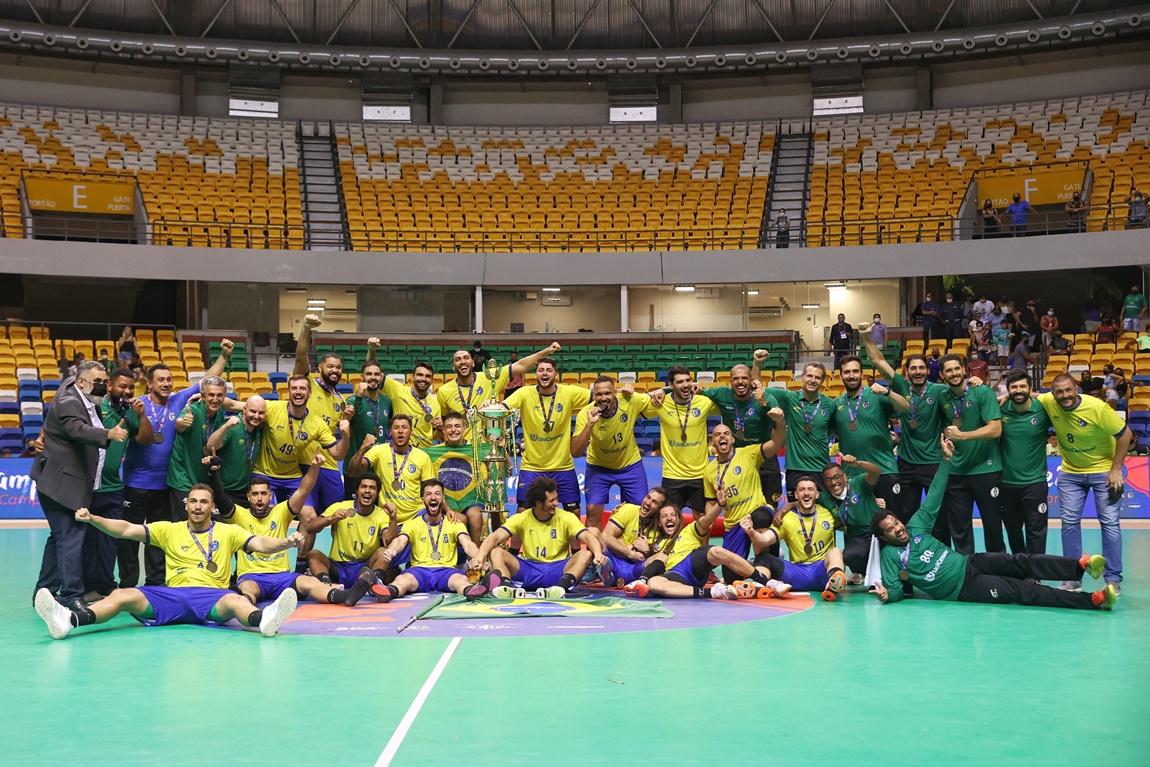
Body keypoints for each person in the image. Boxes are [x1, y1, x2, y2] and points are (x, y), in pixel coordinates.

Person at [871, 437, 1117, 611]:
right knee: (1020, 591)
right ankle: (1092, 600)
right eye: (891, 529)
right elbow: (894, 588)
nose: (898, 528)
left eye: (896, 522)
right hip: (963, 587)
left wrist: (946, 462)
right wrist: (886, 595)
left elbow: (934, 495)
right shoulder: (891, 556)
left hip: (970, 562)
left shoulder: (915, 527)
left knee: (1022, 561)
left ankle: (1081, 566)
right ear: (884, 538)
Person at [35, 484, 305, 640]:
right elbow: (126, 529)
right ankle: (69, 620)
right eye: (193, 502)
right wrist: (94, 518)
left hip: (211, 597)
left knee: (237, 601)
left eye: (204, 502)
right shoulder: (168, 529)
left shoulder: (229, 531)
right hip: (170, 595)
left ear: (213, 507)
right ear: (186, 506)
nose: (198, 506)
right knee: (121, 595)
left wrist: (286, 543)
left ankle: (265, 620)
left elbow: (259, 543)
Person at [120, 342, 233, 588]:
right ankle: (127, 585)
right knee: (130, 537)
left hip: (164, 486)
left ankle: (155, 583)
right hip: (135, 484)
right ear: (149, 383)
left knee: (159, 537)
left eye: (169, 379)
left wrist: (224, 355)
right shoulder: (137, 405)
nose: (166, 384)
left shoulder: (179, 399)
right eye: (160, 380)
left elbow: (209, 379)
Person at [31, 361, 130, 611]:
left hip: (65, 481)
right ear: (82, 382)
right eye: (97, 382)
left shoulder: (81, 392)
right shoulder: (69, 402)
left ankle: (44, 591)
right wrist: (108, 435)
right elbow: (77, 429)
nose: (102, 387)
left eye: (104, 381)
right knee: (71, 538)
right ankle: (71, 596)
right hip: (61, 484)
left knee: (60, 538)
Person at [214, 454, 373, 607]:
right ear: (248, 497)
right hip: (252, 577)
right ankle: (249, 610)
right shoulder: (239, 515)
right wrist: (213, 473)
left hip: (282, 577)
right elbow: (220, 496)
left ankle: (346, 596)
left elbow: (303, 491)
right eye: (255, 494)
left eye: (263, 493)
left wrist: (315, 468)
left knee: (309, 581)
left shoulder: (281, 512)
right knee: (247, 588)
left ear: (270, 495)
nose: (259, 498)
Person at [1037, 374, 1130, 594]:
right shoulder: (1049, 401)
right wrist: (1003, 396)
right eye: (1059, 392)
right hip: (1071, 473)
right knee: (1069, 523)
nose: (1064, 395)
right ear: (1053, 393)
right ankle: (1072, 578)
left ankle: (1113, 579)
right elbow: (1028, 395)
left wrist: (1115, 470)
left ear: (1076, 388)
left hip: (1102, 472)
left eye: (1068, 390)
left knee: (1109, 523)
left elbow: (1125, 434)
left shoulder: (1097, 407)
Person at [82, 367, 155, 601]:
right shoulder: (94, 407)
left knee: (108, 541)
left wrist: (141, 415)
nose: (127, 390)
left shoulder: (130, 412)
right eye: (122, 386)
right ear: (110, 386)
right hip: (89, 486)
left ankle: (106, 585)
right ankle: (84, 586)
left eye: (131, 387)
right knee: (86, 540)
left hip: (114, 487)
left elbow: (145, 439)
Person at [466, 477, 604, 599]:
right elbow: (495, 537)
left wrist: (597, 554)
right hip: (529, 568)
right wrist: (479, 557)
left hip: (558, 569)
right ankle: (505, 587)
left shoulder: (566, 517)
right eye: (551, 500)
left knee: (585, 554)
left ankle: (560, 589)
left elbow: (587, 536)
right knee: (495, 552)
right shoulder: (522, 518)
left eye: (556, 498)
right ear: (538, 502)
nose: (556, 503)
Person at [862, 330, 948, 521]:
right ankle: (910, 550)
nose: (918, 372)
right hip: (907, 463)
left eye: (921, 368)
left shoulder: (940, 391)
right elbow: (878, 360)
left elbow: (963, 393)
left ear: (928, 370)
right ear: (907, 372)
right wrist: (865, 336)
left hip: (933, 462)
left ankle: (941, 550)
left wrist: (975, 383)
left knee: (940, 515)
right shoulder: (901, 386)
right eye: (913, 368)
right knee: (907, 514)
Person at [632, 499, 786, 600]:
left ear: (679, 519)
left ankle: (768, 582)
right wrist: (646, 551)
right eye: (664, 516)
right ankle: (714, 592)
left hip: (692, 562)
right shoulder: (654, 541)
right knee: (654, 584)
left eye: (673, 515)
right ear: (659, 522)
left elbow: (706, 520)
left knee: (715, 551)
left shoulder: (689, 530)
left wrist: (719, 504)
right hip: (674, 574)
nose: (669, 518)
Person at [700, 416, 787, 581]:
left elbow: (778, 443)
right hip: (733, 524)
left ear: (733, 439)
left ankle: (768, 561)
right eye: (717, 435)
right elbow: (710, 502)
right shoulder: (708, 471)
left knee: (761, 516)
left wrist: (780, 422)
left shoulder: (748, 453)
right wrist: (709, 521)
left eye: (726, 433)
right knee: (731, 576)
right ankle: (754, 562)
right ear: (712, 442)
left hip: (756, 511)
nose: (722, 437)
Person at [936, 354, 1005, 555]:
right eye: (948, 370)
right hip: (956, 472)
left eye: (957, 368)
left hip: (986, 469)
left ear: (965, 369)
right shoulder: (942, 397)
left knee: (992, 527)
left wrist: (962, 436)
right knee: (960, 529)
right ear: (941, 375)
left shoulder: (982, 392)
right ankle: (966, 574)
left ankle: (998, 572)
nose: (954, 373)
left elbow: (995, 429)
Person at [502, 358, 591, 513]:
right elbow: (502, 408)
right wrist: (489, 406)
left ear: (556, 374)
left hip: (563, 467)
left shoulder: (568, 392)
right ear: (535, 374)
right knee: (522, 511)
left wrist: (626, 392)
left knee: (575, 512)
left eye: (549, 370)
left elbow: (601, 395)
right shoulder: (524, 393)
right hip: (532, 467)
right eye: (541, 370)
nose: (544, 373)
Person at [370, 479, 483, 601]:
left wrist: (479, 557)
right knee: (402, 580)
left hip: (446, 571)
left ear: (443, 499)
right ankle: (387, 592)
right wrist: (391, 550)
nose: (433, 497)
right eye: (428, 494)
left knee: (461, 580)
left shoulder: (455, 523)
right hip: (419, 571)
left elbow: (467, 544)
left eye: (437, 493)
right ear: (422, 499)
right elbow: (400, 541)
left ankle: (471, 591)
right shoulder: (412, 524)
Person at [744, 475, 847, 601]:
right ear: (796, 495)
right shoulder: (786, 518)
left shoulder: (828, 514)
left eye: (810, 489)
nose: (806, 493)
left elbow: (847, 528)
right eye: (802, 490)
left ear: (817, 494)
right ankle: (758, 585)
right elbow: (763, 540)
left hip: (821, 571)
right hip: (795, 573)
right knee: (763, 558)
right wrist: (751, 532)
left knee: (836, 551)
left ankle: (833, 583)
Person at [436, 341, 559, 443]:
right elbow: (445, 424)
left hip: (488, 446)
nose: (462, 361)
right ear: (453, 366)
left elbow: (521, 366)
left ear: (473, 363)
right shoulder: (444, 391)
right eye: (458, 359)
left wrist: (546, 351)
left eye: (466, 358)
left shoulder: (490, 376)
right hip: (462, 449)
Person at [292, 313, 355, 512]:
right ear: (319, 367)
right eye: (330, 367)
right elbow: (301, 356)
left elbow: (339, 436)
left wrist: (347, 421)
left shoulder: (340, 399)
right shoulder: (307, 384)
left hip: (330, 467)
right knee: (308, 518)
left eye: (338, 368)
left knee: (337, 516)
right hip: (305, 463)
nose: (335, 371)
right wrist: (307, 328)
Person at [830, 354, 909, 509]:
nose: (851, 376)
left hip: (884, 471)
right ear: (841, 376)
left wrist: (887, 392)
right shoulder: (836, 404)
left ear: (862, 374)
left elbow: (905, 407)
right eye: (847, 372)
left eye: (855, 371)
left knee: (890, 525)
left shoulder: (877, 395)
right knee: (856, 527)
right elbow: (832, 430)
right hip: (852, 476)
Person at [571, 377, 651, 530]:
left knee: (641, 510)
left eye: (608, 393)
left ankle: (634, 549)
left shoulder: (629, 400)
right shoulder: (585, 414)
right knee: (592, 511)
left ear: (615, 393)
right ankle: (595, 552)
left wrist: (657, 392)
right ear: (594, 396)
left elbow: (655, 397)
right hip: (598, 467)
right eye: (599, 394)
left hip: (630, 465)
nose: (603, 398)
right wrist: (589, 425)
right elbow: (575, 452)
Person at [702, 362, 784, 508]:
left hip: (765, 456)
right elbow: (691, 392)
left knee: (771, 506)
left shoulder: (766, 398)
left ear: (751, 380)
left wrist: (764, 403)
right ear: (730, 381)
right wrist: (663, 391)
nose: (740, 382)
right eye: (736, 378)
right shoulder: (722, 393)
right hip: (739, 460)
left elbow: (777, 427)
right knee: (741, 506)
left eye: (745, 378)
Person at [642, 365, 719, 513]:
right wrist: (660, 391)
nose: (685, 385)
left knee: (702, 519)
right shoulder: (661, 403)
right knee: (669, 517)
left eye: (687, 380)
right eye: (679, 382)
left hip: (700, 474)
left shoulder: (704, 402)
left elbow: (726, 398)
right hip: (672, 475)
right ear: (671, 384)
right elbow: (636, 402)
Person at [304, 473, 398, 593]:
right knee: (313, 554)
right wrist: (331, 518)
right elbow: (310, 528)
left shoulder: (381, 514)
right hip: (338, 567)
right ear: (357, 491)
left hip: (364, 568)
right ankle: (327, 585)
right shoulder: (340, 507)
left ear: (377, 493)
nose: (368, 491)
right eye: (364, 487)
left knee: (383, 552)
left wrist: (393, 519)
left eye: (372, 488)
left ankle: (374, 585)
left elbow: (388, 541)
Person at [756, 358, 836, 499]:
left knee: (823, 514)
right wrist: (757, 363)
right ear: (802, 377)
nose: (812, 380)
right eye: (809, 376)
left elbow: (832, 430)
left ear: (822, 381)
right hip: (795, 469)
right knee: (796, 513)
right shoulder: (789, 398)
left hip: (821, 468)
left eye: (817, 377)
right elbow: (758, 387)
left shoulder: (829, 404)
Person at [997, 371, 1052, 555]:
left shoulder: (1043, 409)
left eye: (1022, 386)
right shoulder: (1000, 409)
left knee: (1036, 531)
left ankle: (1035, 572)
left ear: (1030, 388)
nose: (1018, 391)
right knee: (1013, 531)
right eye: (1013, 387)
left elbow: (1060, 396)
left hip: (1034, 483)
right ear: (1008, 390)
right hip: (1006, 483)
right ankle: (1020, 570)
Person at [165, 375, 230, 526]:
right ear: (203, 396)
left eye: (219, 395)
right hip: (182, 480)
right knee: (183, 528)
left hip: (202, 480)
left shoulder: (219, 413)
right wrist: (182, 423)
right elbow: (180, 424)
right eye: (211, 395)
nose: (215, 399)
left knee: (208, 526)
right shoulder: (193, 410)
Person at [349, 414, 435, 524]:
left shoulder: (422, 456)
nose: (400, 431)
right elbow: (352, 471)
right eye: (396, 427)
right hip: (387, 516)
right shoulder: (379, 451)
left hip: (416, 515)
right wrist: (363, 448)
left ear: (411, 432)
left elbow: (432, 488)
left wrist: (448, 510)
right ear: (390, 432)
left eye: (404, 427)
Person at [819, 455, 882, 579]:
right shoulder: (824, 498)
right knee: (849, 556)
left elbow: (877, 472)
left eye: (837, 477)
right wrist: (786, 508)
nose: (833, 482)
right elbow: (805, 502)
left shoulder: (858, 483)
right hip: (859, 537)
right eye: (828, 480)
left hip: (879, 531)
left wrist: (858, 463)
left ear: (845, 477)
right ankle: (866, 575)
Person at [206, 395, 269, 509]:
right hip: (223, 490)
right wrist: (226, 426)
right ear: (244, 409)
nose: (256, 416)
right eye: (253, 411)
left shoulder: (259, 430)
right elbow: (211, 446)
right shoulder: (233, 427)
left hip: (244, 491)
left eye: (261, 413)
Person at [598, 487, 668, 588]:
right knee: (594, 532)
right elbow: (606, 537)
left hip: (634, 569)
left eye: (655, 502)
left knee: (662, 557)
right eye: (648, 497)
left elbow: (651, 559)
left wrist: (647, 551)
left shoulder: (659, 527)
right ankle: (600, 572)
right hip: (613, 561)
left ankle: (640, 583)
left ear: (660, 509)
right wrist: (630, 553)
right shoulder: (628, 509)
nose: (648, 502)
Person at [343, 361, 392, 495]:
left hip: (377, 469)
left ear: (381, 377)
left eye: (376, 374)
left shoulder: (386, 401)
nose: (373, 377)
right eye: (368, 374)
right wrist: (359, 396)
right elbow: (349, 423)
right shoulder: (352, 401)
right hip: (355, 468)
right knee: (353, 512)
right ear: (362, 377)